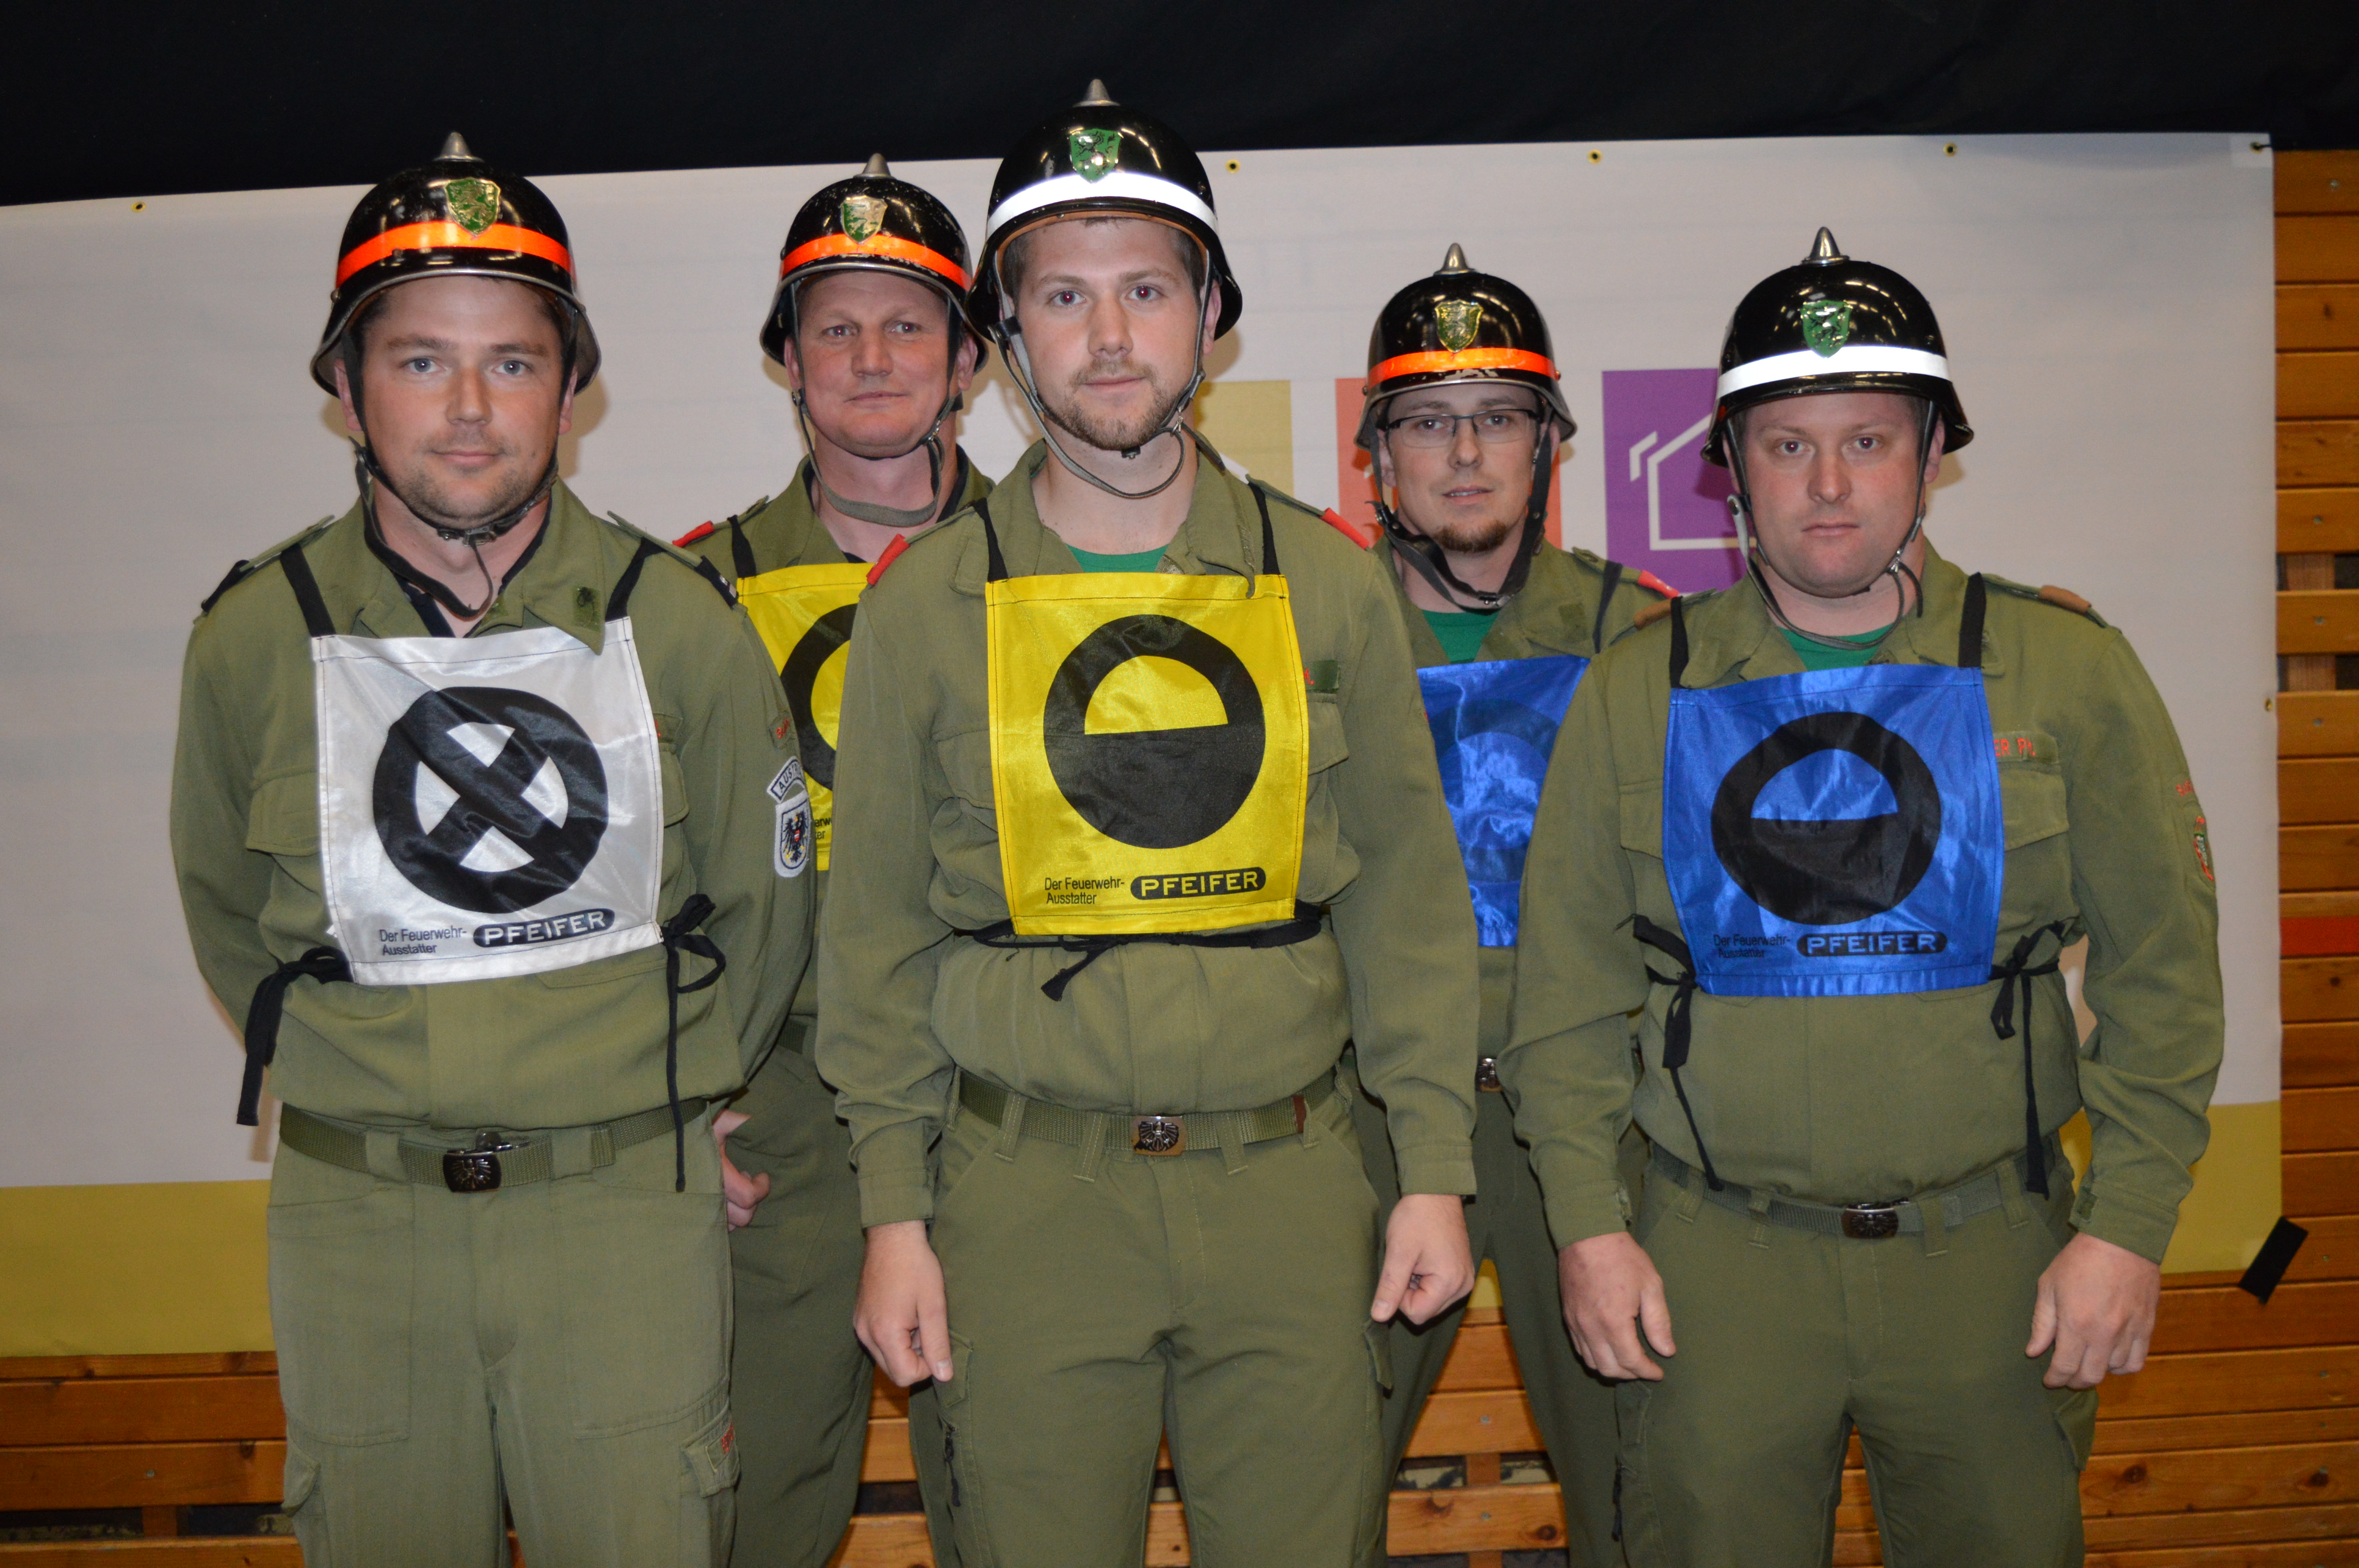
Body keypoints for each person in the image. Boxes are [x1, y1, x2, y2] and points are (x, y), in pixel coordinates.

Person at [815, 82, 1482, 1568]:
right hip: (1024, 1201)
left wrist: (1433, 1167)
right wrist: (894, 1214)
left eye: (1147, 290)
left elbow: (1408, 907)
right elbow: (876, 941)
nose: (1109, 336)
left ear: (1211, 316)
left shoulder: (1325, 582)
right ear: (1006, 333)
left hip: (1289, 1188)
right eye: (1064, 296)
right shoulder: (927, 604)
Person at [1505, 228, 2224, 1566]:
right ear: (1731, 467)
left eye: (1870, 441)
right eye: (1788, 445)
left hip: (1992, 1266)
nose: (1829, 485)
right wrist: (1589, 1229)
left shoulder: (2065, 672)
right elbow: (1565, 1000)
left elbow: (2166, 977)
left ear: (1933, 453)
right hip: (1716, 1269)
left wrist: (2127, 1230)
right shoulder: (1639, 691)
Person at [169, 134, 814, 1567]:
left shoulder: (679, 622)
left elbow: (766, 909)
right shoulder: (255, 639)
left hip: (621, 1216)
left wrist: (681, 1091)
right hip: (359, 1221)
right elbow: (225, 909)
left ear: (571, 389)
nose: (469, 411)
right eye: (420, 362)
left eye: (512, 363)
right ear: (346, 388)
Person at [676, 152, 989, 1568]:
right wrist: (679, 1092)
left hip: (1003, 1096)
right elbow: (634, 876)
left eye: (908, 325)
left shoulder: (1056, 566)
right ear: (786, 361)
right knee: (757, 1511)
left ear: (969, 358)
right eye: (836, 328)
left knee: (1022, 1496)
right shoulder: (696, 591)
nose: (871, 359)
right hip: (781, 1113)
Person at [1346, 244, 1666, 1565]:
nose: (1467, 453)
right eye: (1429, 421)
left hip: (1595, 1121)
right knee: (1304, 1489)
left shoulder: (1648, 639)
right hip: (1363, 1119)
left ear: (1550, 446)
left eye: (1500, 419)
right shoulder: (1312, 633)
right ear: (1378, 455)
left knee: (1645, 1493)